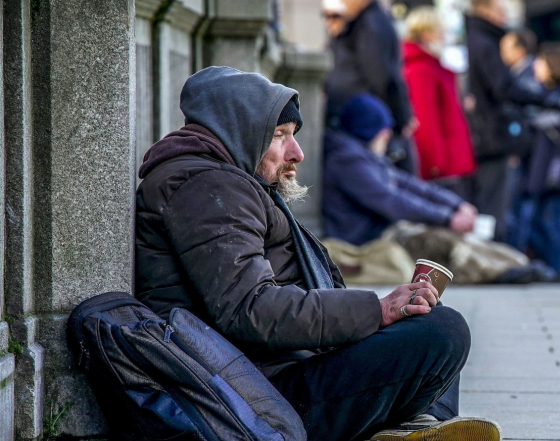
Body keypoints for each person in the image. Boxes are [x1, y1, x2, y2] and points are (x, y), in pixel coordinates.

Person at [135, 67, 499, 441]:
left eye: (293, 135)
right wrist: (379, 309)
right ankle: (405, 427)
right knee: (442, 332)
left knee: (427, 317)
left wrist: (382, 314)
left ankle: (413, 427)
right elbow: (251, 310)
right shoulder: (207, 186)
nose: (297, 152)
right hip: (259, 398)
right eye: (280, 136)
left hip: (275, 370)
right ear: (238, 131)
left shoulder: (220, 179)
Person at [322, 94, 478, 247]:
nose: (388, 136)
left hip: (378, 235)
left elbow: (408, 184)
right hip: (362, 244)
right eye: (384, 132)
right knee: (448, 246)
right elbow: (390, 200)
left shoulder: (362, 155)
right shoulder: (348, 161)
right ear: (368, 130)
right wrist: (448, 218)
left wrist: (457, 205)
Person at [466, 0, 553, 242]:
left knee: (490, 203)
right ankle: (489, 258)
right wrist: (543, 98)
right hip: (491, 136)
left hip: (484, 134)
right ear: (485, 9)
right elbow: (502, 87)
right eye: (500, 9)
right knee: (493, 206)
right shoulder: (484, 43)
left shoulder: (476, 40)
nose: (504, 15)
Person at [327, 0, 417, 171]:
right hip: (367, 114)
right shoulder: (367, 21)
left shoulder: (372, 24)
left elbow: (382, 75)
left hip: (373, 119)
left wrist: (400, 117)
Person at [513, 44, 560, 276]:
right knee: (536, 222)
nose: (536, 67)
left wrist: (559, 172)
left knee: (553, 221)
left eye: (541, 63)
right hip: (538, 172)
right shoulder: (541, 95)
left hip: (556, 173)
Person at [402, 7, 477, 197]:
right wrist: (435, 162)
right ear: (426, 33)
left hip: (448, 161)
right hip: (442, 166)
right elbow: (425, 118)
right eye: (440, 31)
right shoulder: (421, 69)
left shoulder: (431, 66)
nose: (444, 37)